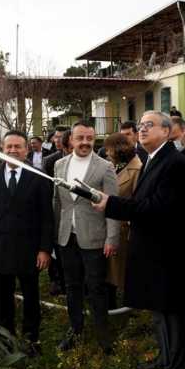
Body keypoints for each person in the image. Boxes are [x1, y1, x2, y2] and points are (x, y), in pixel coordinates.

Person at [93, 111, 185, 369]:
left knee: (171, 313)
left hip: (168, 254)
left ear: (166, 130)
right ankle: (165, 360)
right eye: (141, 125)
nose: (142, 129)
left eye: (149, 125)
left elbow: (157, 208)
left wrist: (111, 204)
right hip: (155, 253)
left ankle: (175, 365)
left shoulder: (173, 163)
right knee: (159, 311)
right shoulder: (153, 159)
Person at [0, 130, 53, 353]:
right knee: (2, 297)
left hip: (30, 251)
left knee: (31, 296)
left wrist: (44, 249)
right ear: (2, 149)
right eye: (9, 146)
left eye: (18, 146)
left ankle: (31, 339)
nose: (13, 150)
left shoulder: (39, 177)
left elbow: (47, 217)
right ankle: (6, 338)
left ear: (26, 149)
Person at [53, 121, 120, 353]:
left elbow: (112, 206)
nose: (84, 143)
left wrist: (112, 238)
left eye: (89, 138)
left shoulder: (105, 167)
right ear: (70, 140)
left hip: (94, 238)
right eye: (80, 138)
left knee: (96, 288)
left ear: (94, 140)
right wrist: (55, 235)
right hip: (66, 238)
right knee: (71, 287)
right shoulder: (59, 165)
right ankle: (76, 330)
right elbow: (58, 202)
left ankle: (103, 336)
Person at [102, 132, 142, 309]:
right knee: (109, 273)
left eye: (109, 149)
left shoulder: (137, 169)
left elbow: (136, 203)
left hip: (124, 230)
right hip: (109, 226)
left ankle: (129, 309)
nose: (106, 153)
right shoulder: (113, 166)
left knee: (122, 273)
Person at [42, 129, 72, 296]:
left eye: (62, 137)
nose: (59, 140)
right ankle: (56, 279)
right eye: (57, 137)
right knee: (56, 248)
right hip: (56, 209)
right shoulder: (50, 161)